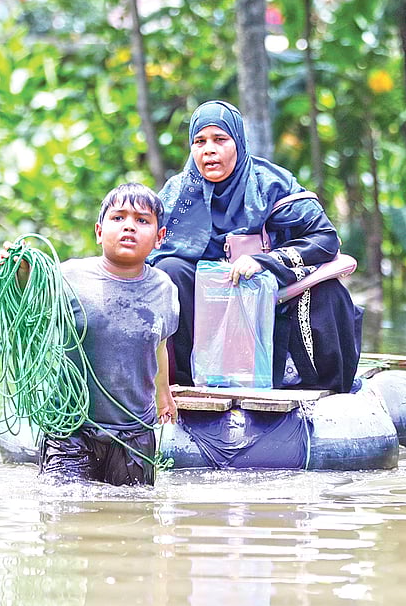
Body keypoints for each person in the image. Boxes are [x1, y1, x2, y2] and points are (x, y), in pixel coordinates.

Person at [149, 100, 362, 394]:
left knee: (330, 293)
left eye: (220, 140)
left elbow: (324, 238)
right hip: (206, 304)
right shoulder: (178, 193)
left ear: (238, 142)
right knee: (168, 271)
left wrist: (267, 262)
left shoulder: (271, 184)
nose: (209, 149)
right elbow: (151, 253)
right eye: (199, 141)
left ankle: (312, 382)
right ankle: (187, 382)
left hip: (273, 296)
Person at [13, 182, 180, 486]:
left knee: (134, 516)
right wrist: (21, 273)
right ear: (99, 231)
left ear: (159, 238)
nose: (129, 226)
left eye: (142, 220)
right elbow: (29, 308)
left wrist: (164, 393)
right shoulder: (68, 277)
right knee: (64, 509)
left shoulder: (164, 288)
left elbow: (160, 345)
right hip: (70, 428)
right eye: (118, 218)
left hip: (133, 431)